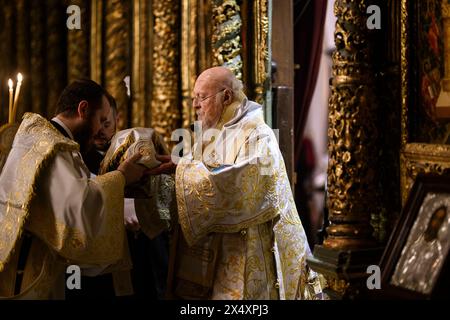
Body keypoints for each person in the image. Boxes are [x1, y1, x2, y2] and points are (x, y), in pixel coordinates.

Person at [149, 67, 324, 300]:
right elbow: (200, 171)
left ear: (227, 96)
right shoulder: (213, 134)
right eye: (194, 98)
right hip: (216, 256)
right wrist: (171, 171)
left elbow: (246, 182)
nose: (195, 105)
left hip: (250, 251)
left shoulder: (259, 134)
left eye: (201, 97)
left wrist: (182, 169)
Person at [0, 79, 147, 299]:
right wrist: (122, 176)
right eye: (101, 120)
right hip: (30, 269)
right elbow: (79, 208)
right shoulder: (53, 146)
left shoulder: (44, 138)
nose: (100, 129)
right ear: (83, 109)